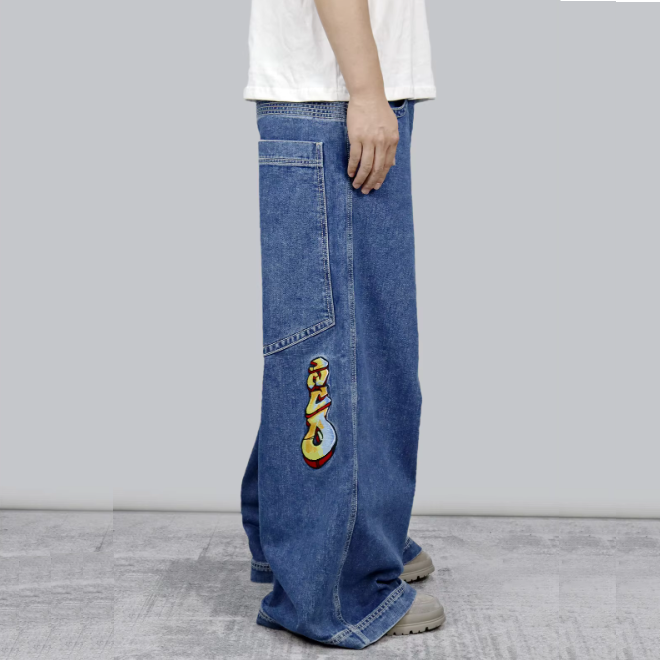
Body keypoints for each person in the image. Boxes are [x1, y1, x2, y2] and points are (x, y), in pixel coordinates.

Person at [240, 0, 444, 649]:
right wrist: (366, 91)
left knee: (353, 343)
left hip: (337, 93)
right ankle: (333, 585)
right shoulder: (351, 93)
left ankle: (320, 535)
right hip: (333, 99)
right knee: (339, 349)